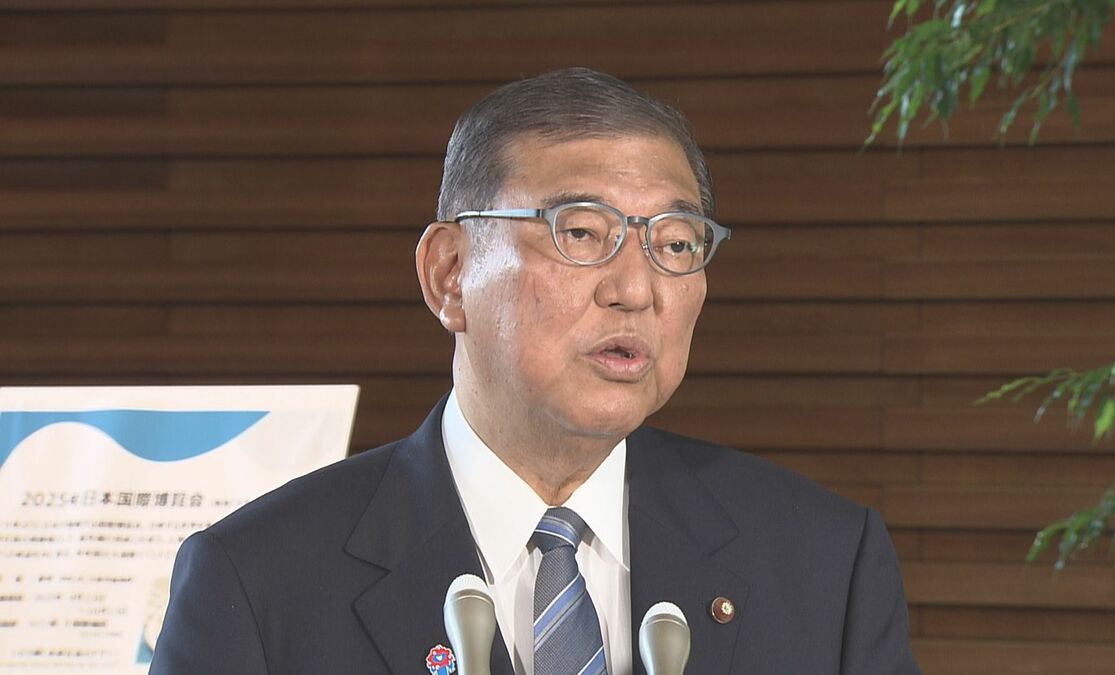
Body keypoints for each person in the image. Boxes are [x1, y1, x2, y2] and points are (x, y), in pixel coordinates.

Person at [151, 67, 919, 674]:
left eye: (676, 243)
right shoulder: (258, 582)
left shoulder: (824, 563)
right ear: (450, 274)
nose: (636, 288)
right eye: (581, 232)